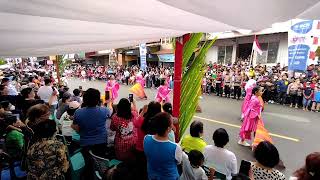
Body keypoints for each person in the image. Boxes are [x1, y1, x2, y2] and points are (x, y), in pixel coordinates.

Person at [144, 112, 182, 180]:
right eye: (172, 123)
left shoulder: (146, 138)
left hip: (152, 175)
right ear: (168, 129)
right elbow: (178, 162)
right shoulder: (175, 147)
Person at [72, 88, 111, 154]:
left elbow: (75, 127)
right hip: (101, 142)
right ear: (98, 100)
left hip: (85, 143)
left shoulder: (78, 112)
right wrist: (108, 102)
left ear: (84, 99)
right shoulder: (105, 110)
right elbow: (110, 114)